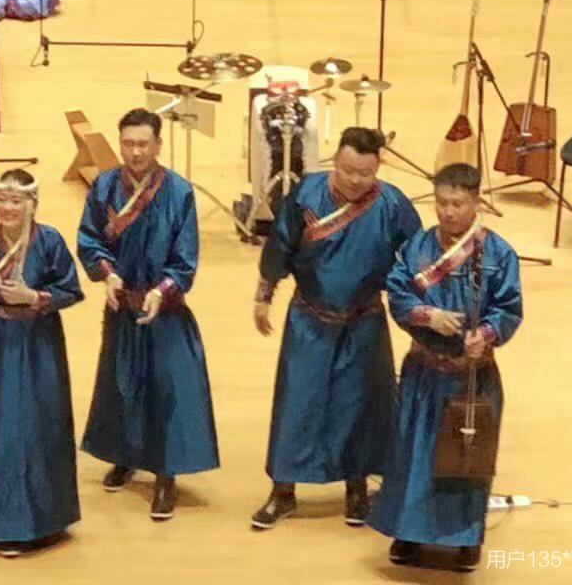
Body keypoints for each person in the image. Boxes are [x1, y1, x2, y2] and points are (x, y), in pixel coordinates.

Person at [251, 126, 421, 530]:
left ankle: (356, 487)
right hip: (309, 319)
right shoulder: (306, 196)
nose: (355, 180)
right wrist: (264, 294)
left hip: (365, 321)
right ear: (335, 161)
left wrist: (422, 313)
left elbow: (418, 260)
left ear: (378, 167)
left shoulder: (393, 205)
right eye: (347, 170)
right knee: (297, 403)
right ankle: (283, 491)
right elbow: (280, 245)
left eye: (365, 173)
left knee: (360, 406)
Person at [367, 163, 523, 573]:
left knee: (465, 460)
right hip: (423, 370)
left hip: (472, 377)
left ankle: (465, 538)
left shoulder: (498, 253)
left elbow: (509, 308)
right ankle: (408, 531)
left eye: (458, 203)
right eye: (441, 202)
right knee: (413, 454)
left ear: (476, 202)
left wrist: (485, 334)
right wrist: (427, 316)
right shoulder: (416, 248)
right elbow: (398, 293)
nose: (448, 212)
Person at [76, 108, 219, 521]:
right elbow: (89, 240)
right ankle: (124, 455)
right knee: (121, 385)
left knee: (166, 392)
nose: (136, 152)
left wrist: (162, 290)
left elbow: (185, 258)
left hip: (164, 310)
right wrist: (107, 274)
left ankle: (165, 475)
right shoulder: (104, 186)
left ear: (158, 144)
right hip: (121, 306)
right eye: (128, 144)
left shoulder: (179, 192)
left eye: (143, 144)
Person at [0, 169, 84, 556]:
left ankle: (45, 519)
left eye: (17, 201)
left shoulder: (49, 241)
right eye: (3, 199)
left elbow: (71, 289)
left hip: (38, 344)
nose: (8, 207)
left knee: (39, 424)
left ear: (32, 204)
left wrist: (35, 297)